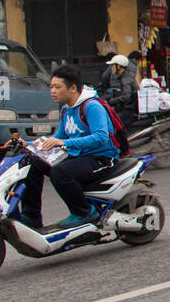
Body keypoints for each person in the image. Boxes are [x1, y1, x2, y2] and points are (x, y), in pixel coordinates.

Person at [16, 64, 120, 230]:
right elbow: (58, 138)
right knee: (33, 161)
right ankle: (31, 216)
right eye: (51, 87)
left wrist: (65, 143)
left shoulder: (92, 106)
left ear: (72, 88)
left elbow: (101, 137)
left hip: (101, 159)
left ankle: (84, 212)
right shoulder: (66, 110)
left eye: (57, 87)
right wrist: (26, 144)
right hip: (79, 156)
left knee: (60, 171)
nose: (53, 91)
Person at [99, 54, 138, 128]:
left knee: (111, 125)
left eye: (113, 66)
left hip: (128, 113)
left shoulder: (125, 80)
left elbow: (126, 97)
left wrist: (110, 101)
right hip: (127, 110)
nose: (111, 68)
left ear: (119, 66)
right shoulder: (124, 77)